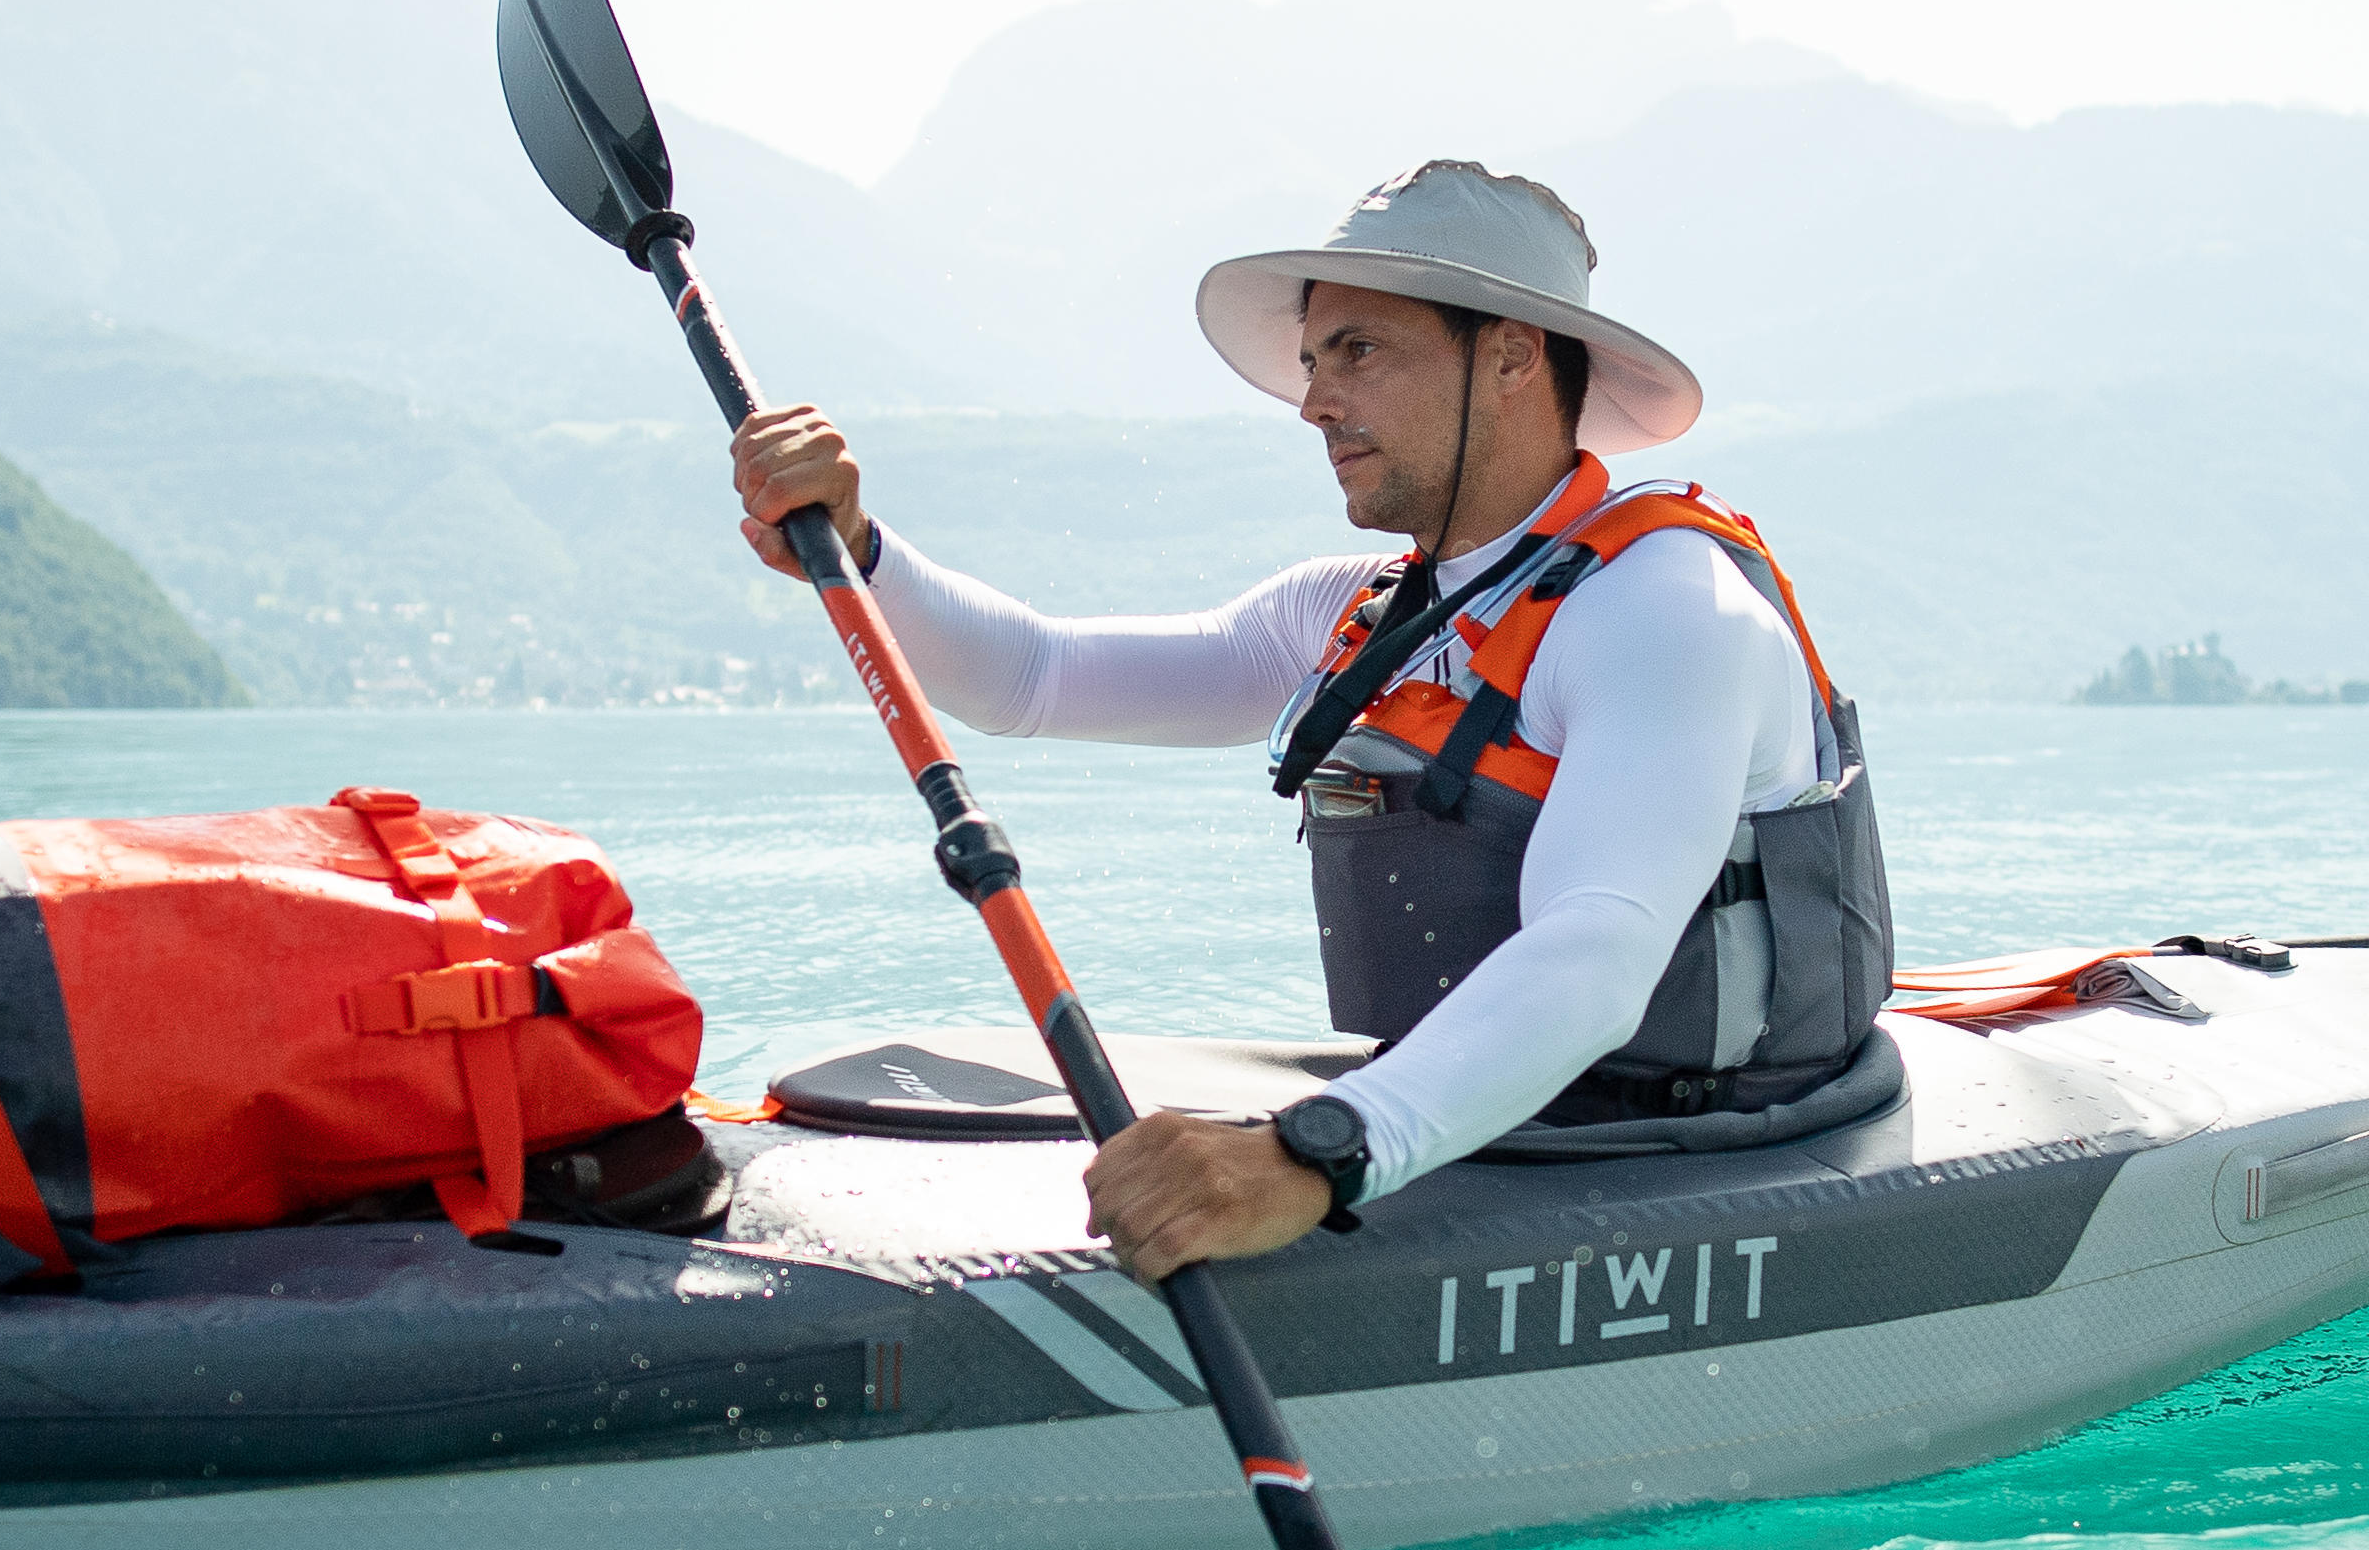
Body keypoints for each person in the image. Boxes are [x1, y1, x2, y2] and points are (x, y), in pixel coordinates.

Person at [729, 158, 1887, 1280]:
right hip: (1468, 1125)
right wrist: (859, 552)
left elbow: (1596, 950)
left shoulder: (1662, 607)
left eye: (1359, 353)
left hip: (1709, 1146)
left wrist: (1310, 1155)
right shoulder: (1355, 614)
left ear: (1514, 357)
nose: (1313, 401)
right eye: (1310, 360)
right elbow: (1032, 676)